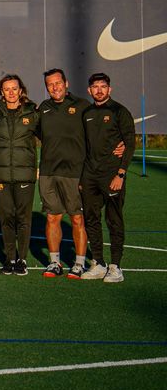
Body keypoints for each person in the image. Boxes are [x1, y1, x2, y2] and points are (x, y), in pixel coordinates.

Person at [78, 73, 136, 283]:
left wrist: (121, 173)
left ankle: (115, 266)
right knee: (91, 219)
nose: (99, 90)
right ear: (89, 90)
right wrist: (82, 177)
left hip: (112, 175)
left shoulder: (119, 111)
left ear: (110, 89)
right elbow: (83, 144)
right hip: (90, 174)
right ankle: (99, 264)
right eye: (95, 87)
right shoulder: (87, 113)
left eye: (103, 86)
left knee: (113, 219)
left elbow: (129, 143)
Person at [38, 69, 94, 278]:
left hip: (75, 173)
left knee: (77, 218)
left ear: (66, 83)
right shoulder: (43, 108)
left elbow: (96, 134)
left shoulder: (82, 106)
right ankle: (54, 263)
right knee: (53, 217)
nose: (54, 87)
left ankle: (79, 264)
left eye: (58, 83)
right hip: (48, 173)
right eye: (50, 84)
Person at [0, 74, 41, 276]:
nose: (10, 92)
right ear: (1, 92)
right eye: (6, 89)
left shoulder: (32, 112)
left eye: (14, 88)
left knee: (23, 218)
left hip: (24, 173)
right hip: (0, 174)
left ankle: (22, 260)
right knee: (6, 217)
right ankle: (9, 258)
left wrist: (41, 166)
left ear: (21, 90)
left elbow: (50, 139)